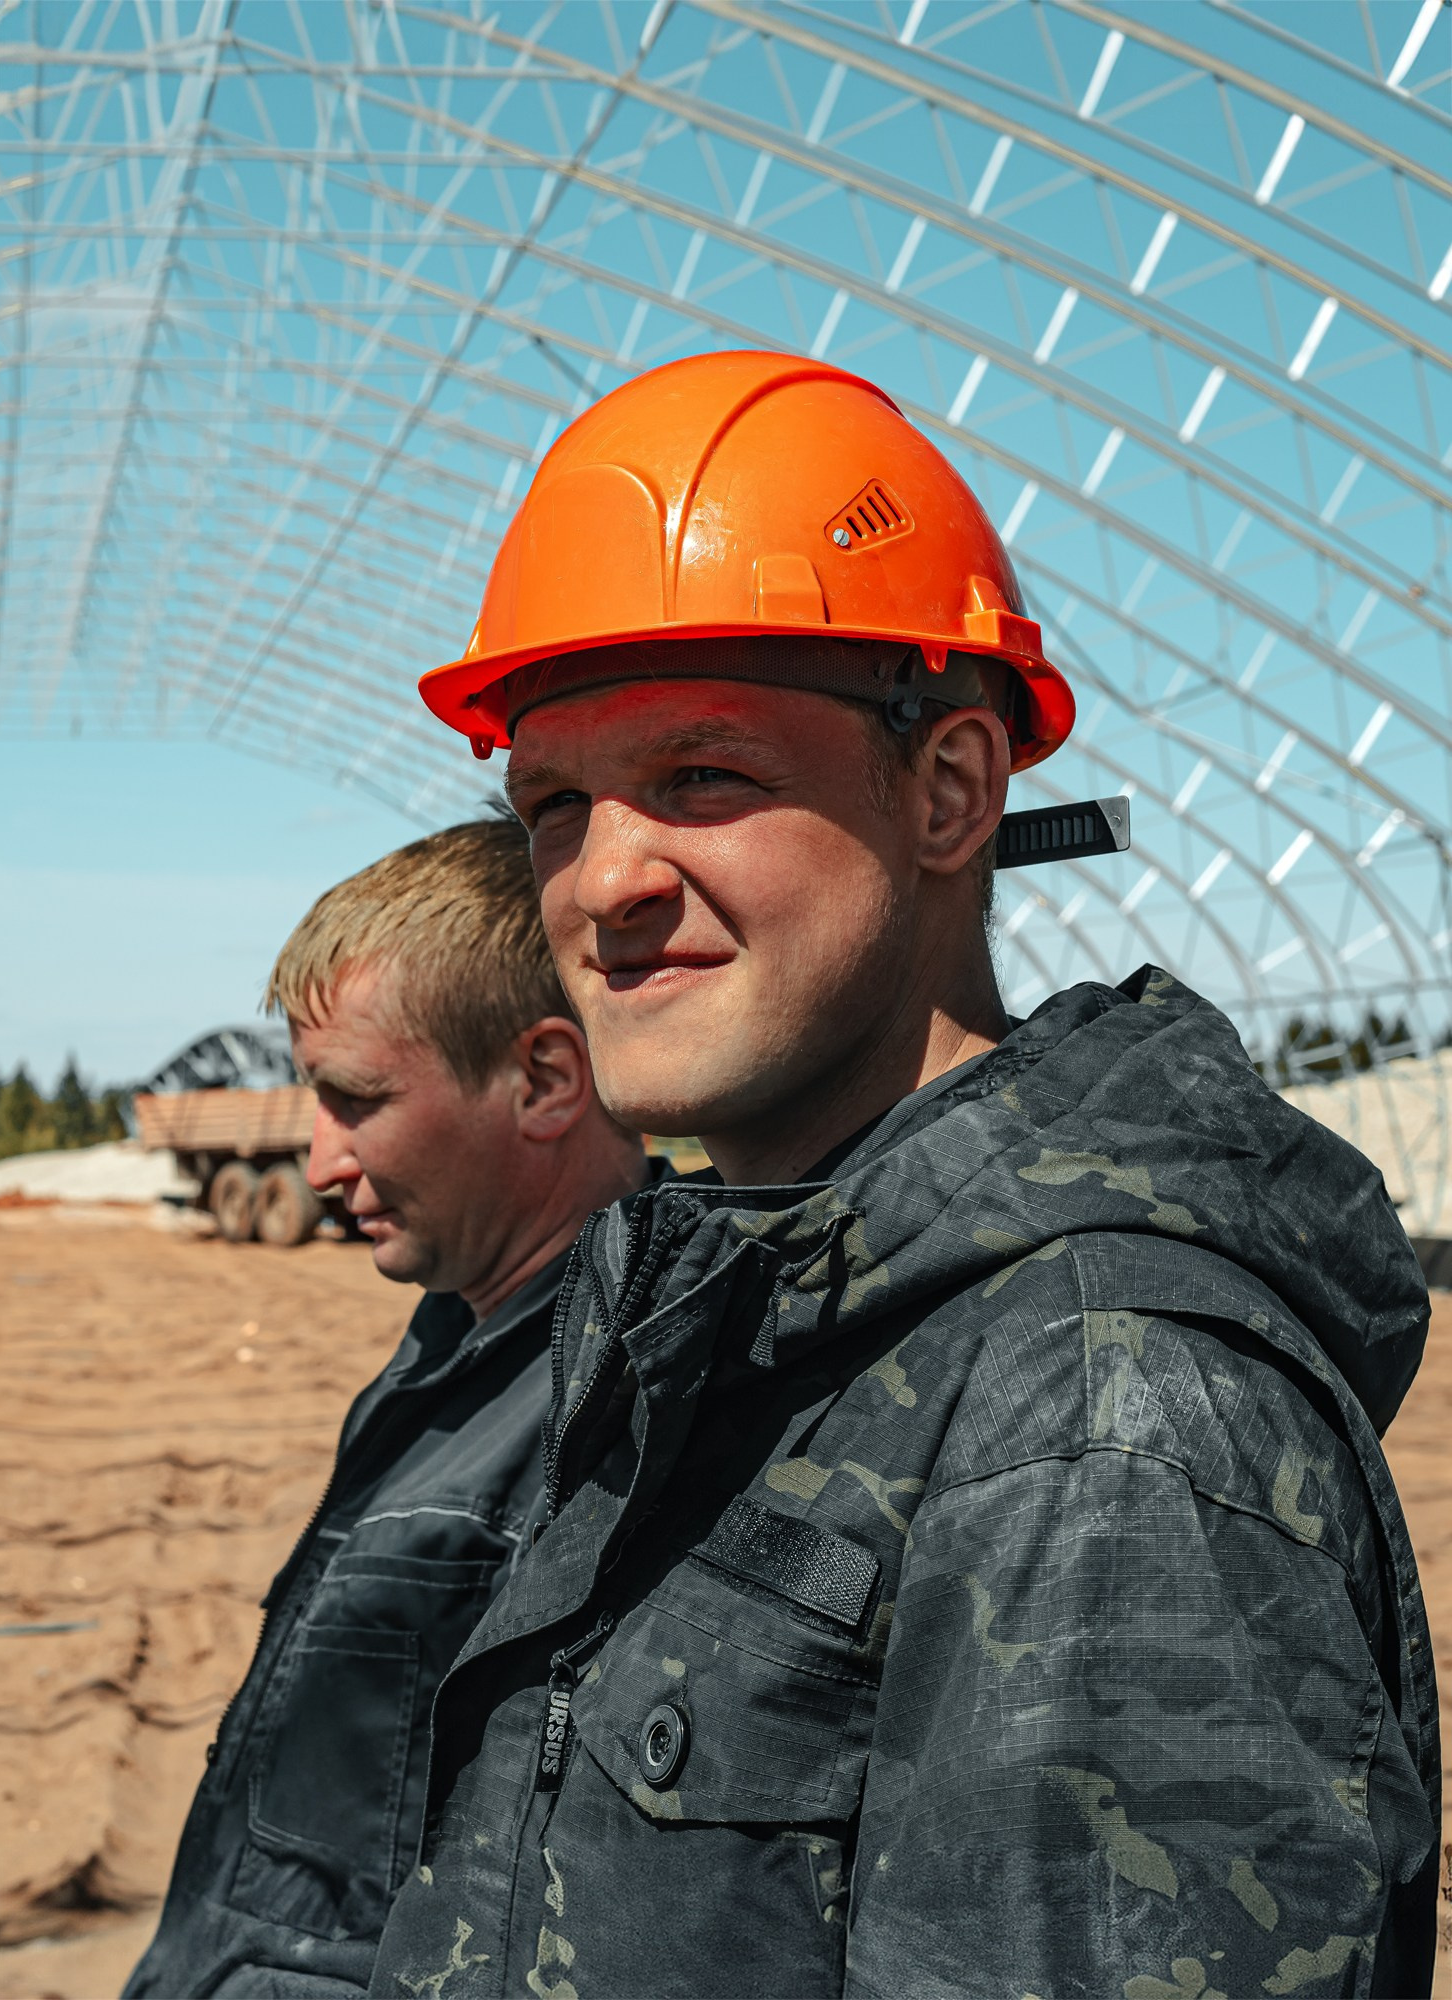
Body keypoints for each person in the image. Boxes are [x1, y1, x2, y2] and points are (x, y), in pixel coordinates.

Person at [364, 353, 1440, 2000]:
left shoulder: (1096, 1416)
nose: (604, 882)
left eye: (702, 779)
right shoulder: (738, 1318)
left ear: (947, 791)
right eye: (554, 804)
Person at [125, 817, 647, 2000]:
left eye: (355, 1099)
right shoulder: (456, 1347)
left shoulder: (607, 1418)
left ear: (545, 1079)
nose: (316, 1163)